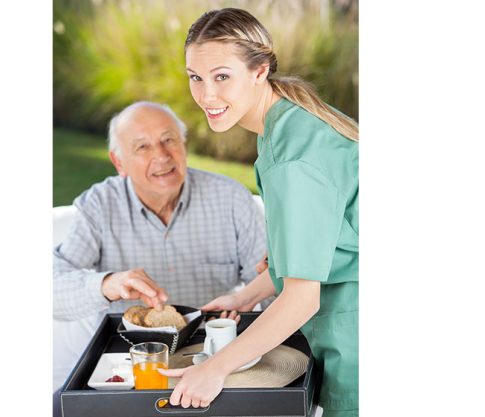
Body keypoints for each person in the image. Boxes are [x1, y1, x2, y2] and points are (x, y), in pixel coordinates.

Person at [160, 8, 359, 417]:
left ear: (259, 71)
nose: (206, 95)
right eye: (195, 77)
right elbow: (332, 239)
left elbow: (301, 300)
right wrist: (246, 296)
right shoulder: (291, 124)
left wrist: (215, 368)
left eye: (221, 76)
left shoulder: (292, 160)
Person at [52, 101, 267, 393]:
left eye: (169, 140)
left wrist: (246, 310)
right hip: (129, 366)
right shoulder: (99, 206)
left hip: (211, 359)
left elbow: (270, 283)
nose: (162, 156)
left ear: (184, 145)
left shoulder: (232, 199)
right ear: (119, 163)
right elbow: (52, 291)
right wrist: (108, 283)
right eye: (142, 147)